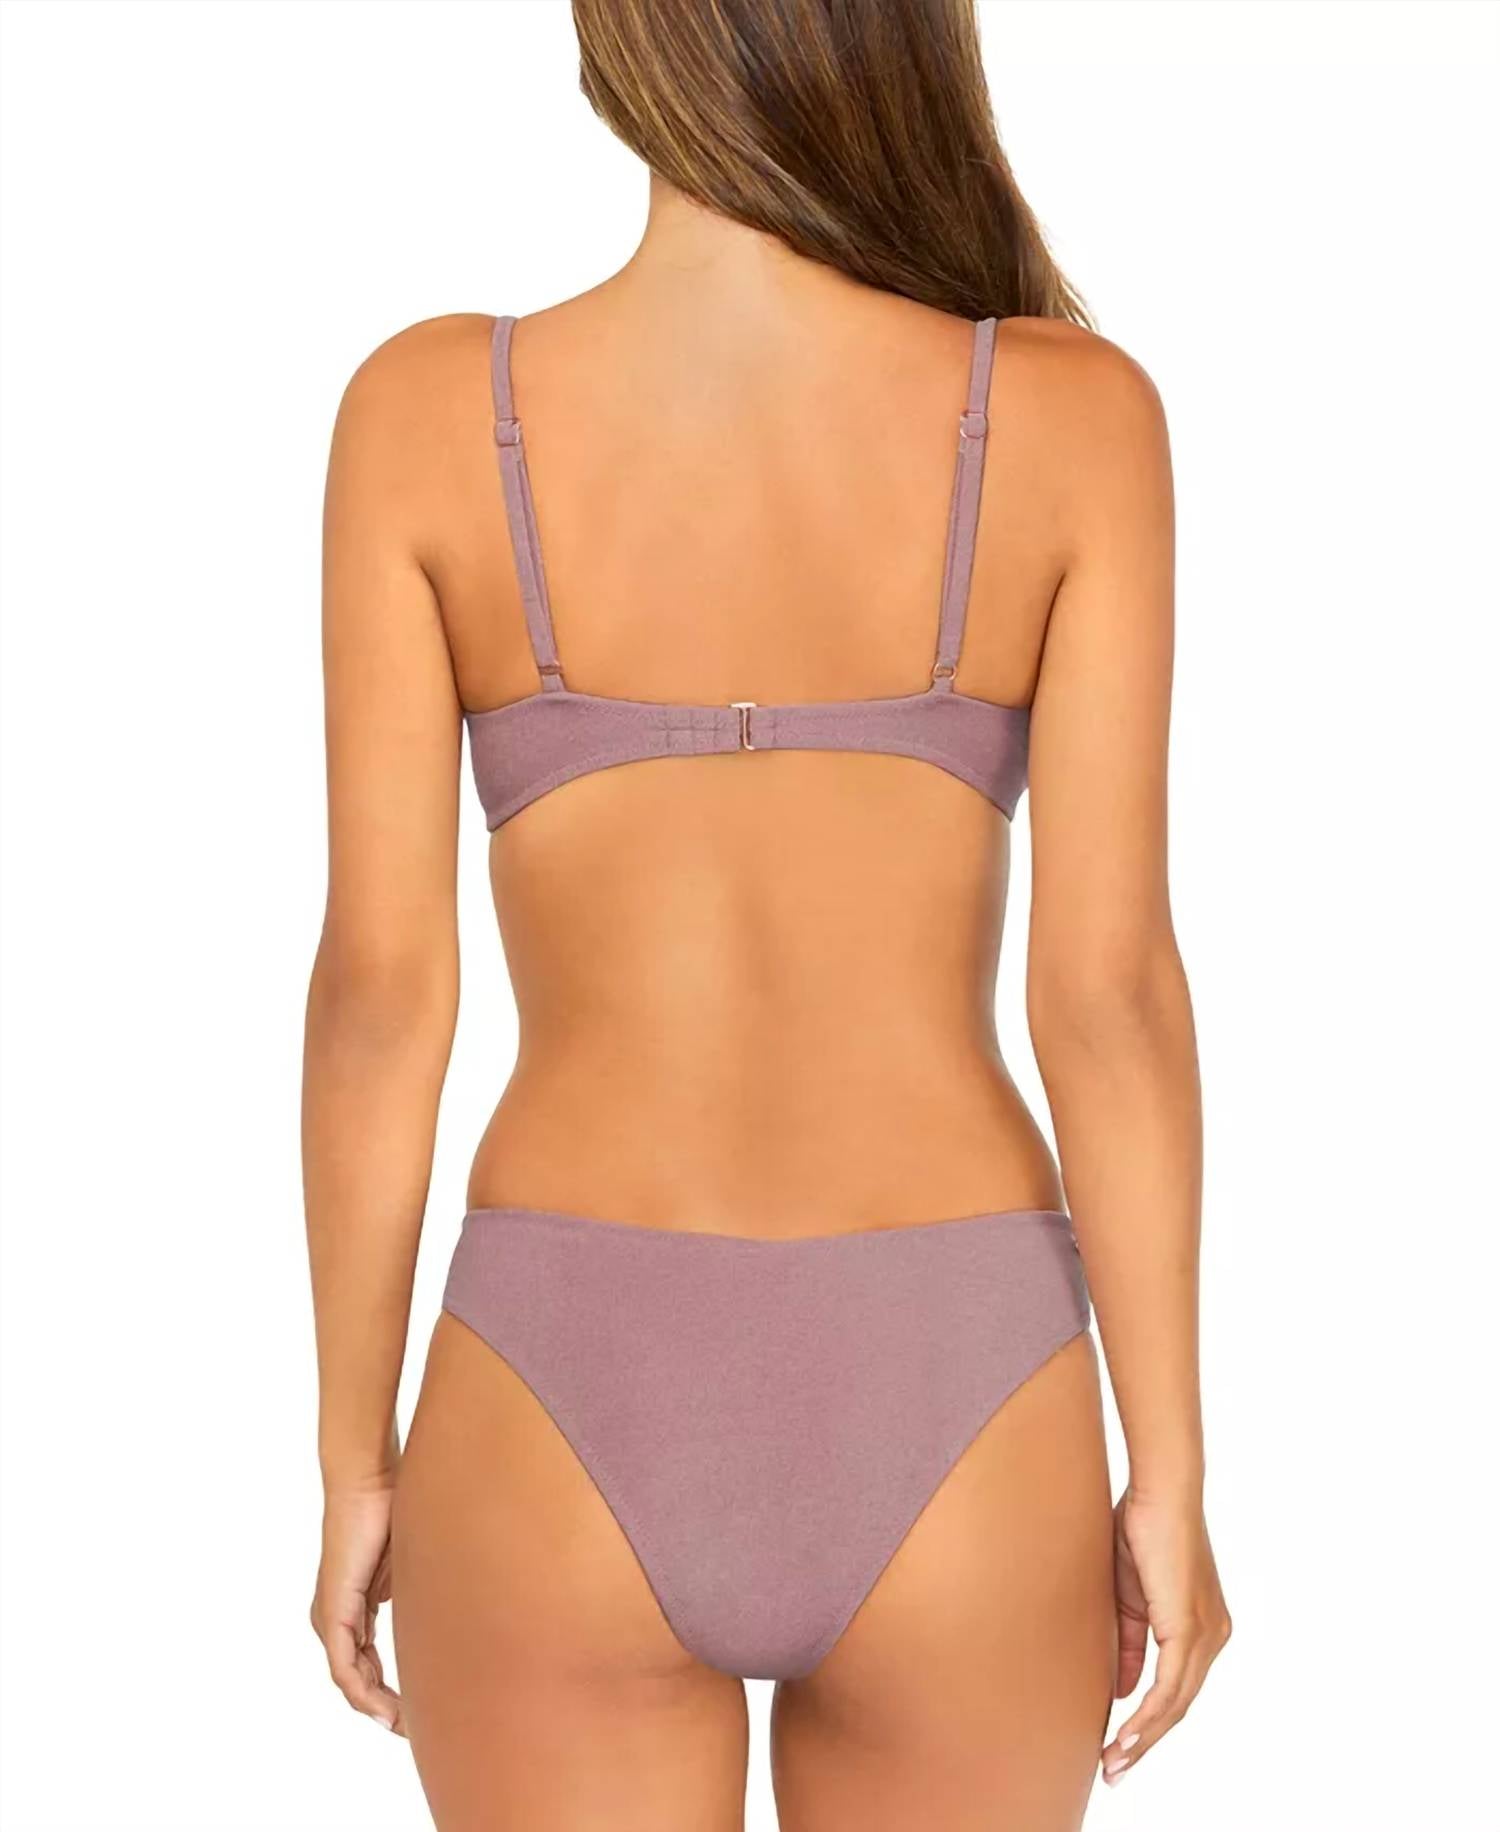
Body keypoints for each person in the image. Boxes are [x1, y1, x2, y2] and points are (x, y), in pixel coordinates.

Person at [303, 2, 1230, 1825]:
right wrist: (1173, 1472)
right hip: (963, 1373)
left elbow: (382, 996)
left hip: (555, 1375)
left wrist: (355, 1461)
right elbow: (1108, 996)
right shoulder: (1070, 415)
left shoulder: (426, 413)